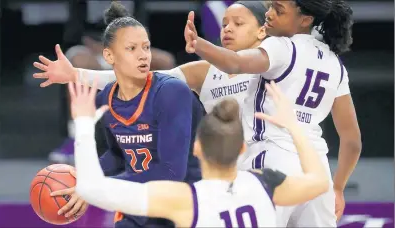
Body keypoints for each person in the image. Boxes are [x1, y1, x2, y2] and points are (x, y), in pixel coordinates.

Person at [184, 0, 362, 227]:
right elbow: (352, 141)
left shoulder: (282, 46)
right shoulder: (335, 65)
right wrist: (337, 187)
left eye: (278, 10)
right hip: (317, 173)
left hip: (272, 162)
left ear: (305, 20)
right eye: (270, 7)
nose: (268, 14)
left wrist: (198, 44)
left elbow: (236, 63)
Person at [66, 78, 330, 228]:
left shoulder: (184, 199)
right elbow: (318, 181)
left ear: (196, 147)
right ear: (241, 148)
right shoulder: (266, 183)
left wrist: (84, 124)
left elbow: (90, 188)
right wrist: (294, 126)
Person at [43, 2, 202, 227]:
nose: (143, 56)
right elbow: (117, 155)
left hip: (186, 207)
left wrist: (96, 187)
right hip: (140, 205)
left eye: (146, 47)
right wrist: (84, 174)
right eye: (132, 48)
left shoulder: (171, 92)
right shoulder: (106, 97)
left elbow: (172, 173)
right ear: (108, 55)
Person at [33, 1, 268, 115]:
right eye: (225, 23)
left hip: (273, 173)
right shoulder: (204, 71)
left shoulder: (278, 61)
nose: (227, 29)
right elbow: (138, 79)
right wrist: (75, 74)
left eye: (238, 24)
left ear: (262, 30)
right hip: (222, 179)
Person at [48, 11, 176, 166]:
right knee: (79, 62)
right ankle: (76, 136)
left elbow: (142, 27)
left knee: (165, 61)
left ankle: (164, 133)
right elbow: (74, 30)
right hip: (91, 49)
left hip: (128, 47)